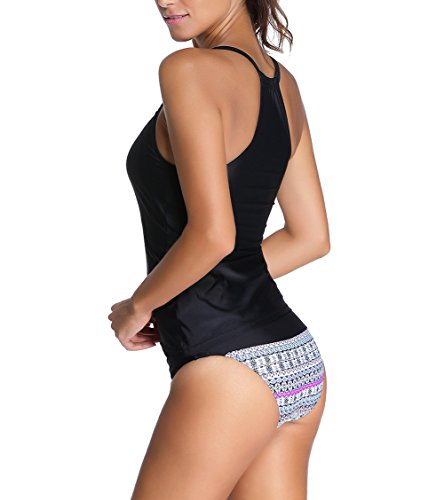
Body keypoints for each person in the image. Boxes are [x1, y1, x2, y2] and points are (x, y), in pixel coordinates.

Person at [108, 0, 330, 498]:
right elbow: (310, 237)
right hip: (295, 360)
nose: (165, 0)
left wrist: (139, 305)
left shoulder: (187, 70)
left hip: (228, 370)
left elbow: (214, 235)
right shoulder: (283, 85)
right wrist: (189, 288)